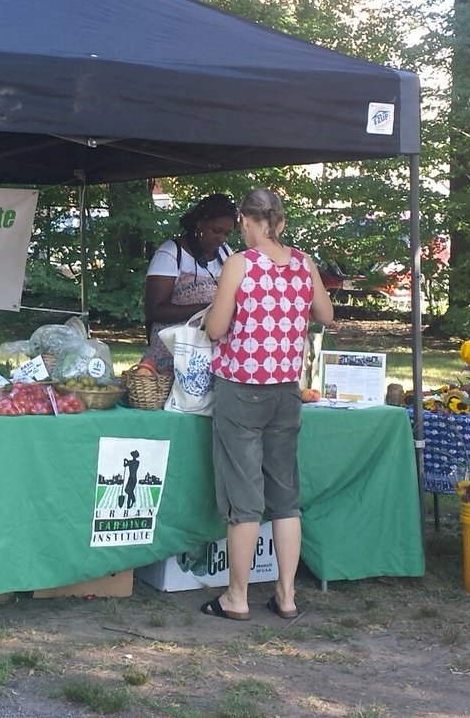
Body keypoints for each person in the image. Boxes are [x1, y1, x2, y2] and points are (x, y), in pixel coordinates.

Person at [200, 188, 333, 622]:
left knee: (245, 498)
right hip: (286, 392)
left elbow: (218, 328)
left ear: (246, 220)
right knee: (285, 496)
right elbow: (326, 315)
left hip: (241, 390)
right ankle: (286, 594)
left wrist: (207, 316)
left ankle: (237, 598)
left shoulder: (239, 263)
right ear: (280, 221)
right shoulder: (302, 262)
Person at [142, 193, 237, 371]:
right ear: (200, 223)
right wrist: (206, 309)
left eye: (226, 233)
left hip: (211, 356)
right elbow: (154, 310)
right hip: (171, 356)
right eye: (216, 231)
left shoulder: (226, 254)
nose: (222, 238)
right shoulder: (170, 253)